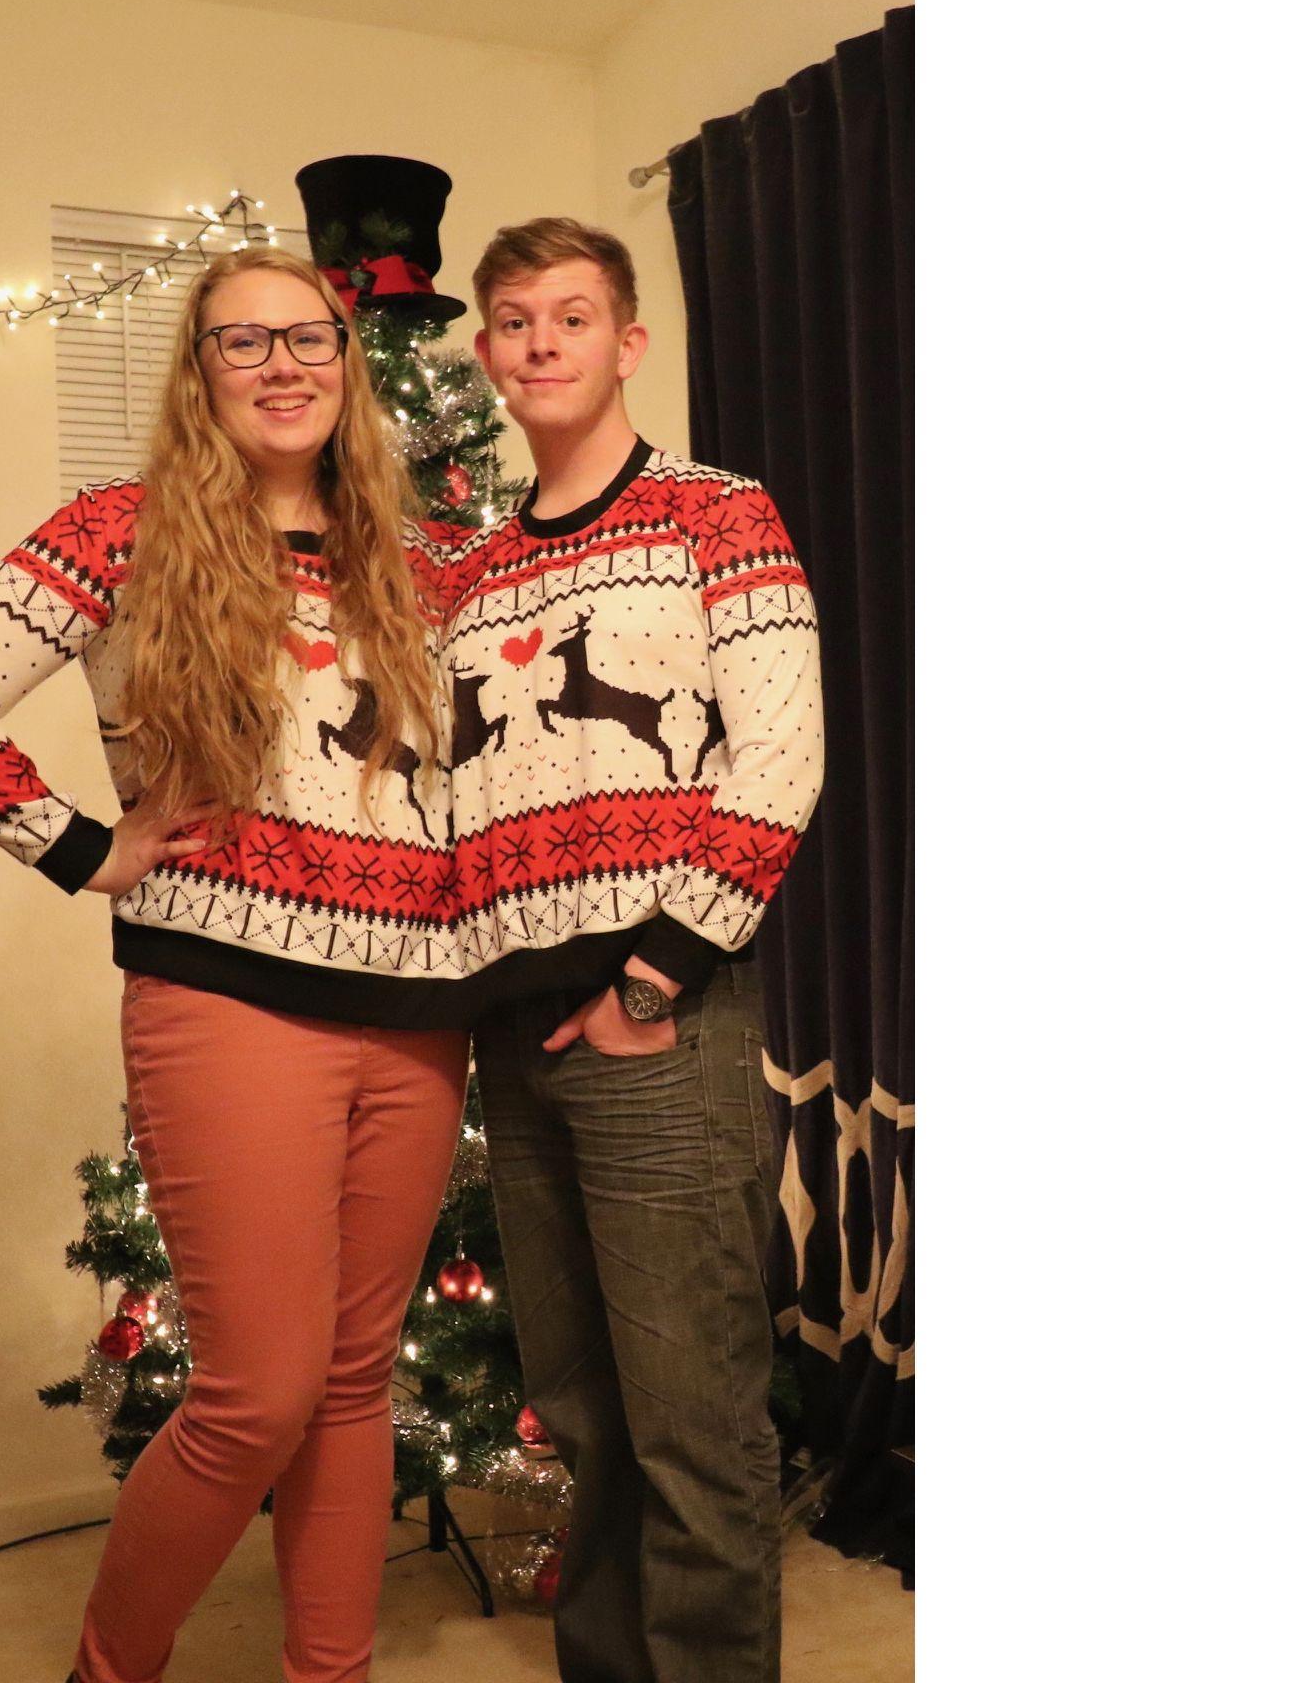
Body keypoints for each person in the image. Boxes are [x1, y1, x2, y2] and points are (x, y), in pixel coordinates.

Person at [0, 247, 471, 1683]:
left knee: (352, 1386)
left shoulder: (421, 560)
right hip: (230, 998)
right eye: (240, 341)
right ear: (200, 373)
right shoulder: (123, 530)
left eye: (307, 336)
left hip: (420, 1014)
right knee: (257, 1395)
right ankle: (109, 1669)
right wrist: (85, 847)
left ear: (346, 358)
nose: (281, 364)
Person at [441, 217, 825, 1683]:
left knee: (692, 1420)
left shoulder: (717, 514)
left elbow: (780, 759)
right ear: (488, 355)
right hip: (511, 1035)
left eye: (573, 315)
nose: (542, 342)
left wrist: (652, 978)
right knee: (585, 1415)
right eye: (516, 320)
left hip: (659, 1021)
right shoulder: (470, 572)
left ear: (629, 343)